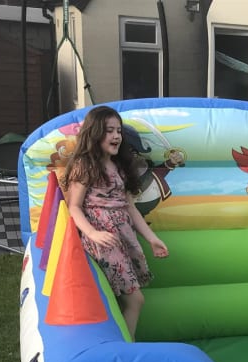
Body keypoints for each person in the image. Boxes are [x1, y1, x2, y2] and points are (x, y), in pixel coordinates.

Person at [63, 106, 169, 339]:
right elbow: (74, 207)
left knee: (122, 299)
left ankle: (120, 343)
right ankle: (125, 347)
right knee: (135, 299)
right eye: (109, 130)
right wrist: (92, 233)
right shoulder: (85, 165)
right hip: (103, 240)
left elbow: (129, 207)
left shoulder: (119, 166)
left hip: (122, 237)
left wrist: (152, 239)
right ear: (95, 133)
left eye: (119, 131)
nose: (116, 136)